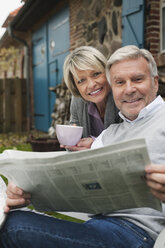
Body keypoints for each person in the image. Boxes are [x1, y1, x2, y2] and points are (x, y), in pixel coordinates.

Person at [1, 45, 165, 248]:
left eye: (138, 79)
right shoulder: (112, 132)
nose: (129, 89)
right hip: (100, 225)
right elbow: (71, 177)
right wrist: (25, 189)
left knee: (13, 227)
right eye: (120, 82)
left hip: (137, 234)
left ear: (155, 83)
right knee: (11, 218)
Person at [62, 46, 121, 151]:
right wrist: (72, 143)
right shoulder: (77, 102)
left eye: (96, 74)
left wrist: (95, 143)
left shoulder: (121, 93)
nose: (91, 84)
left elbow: (131, 133)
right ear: (75, 87)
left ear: (107, 72)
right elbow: (72, 146)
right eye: (81, 80)